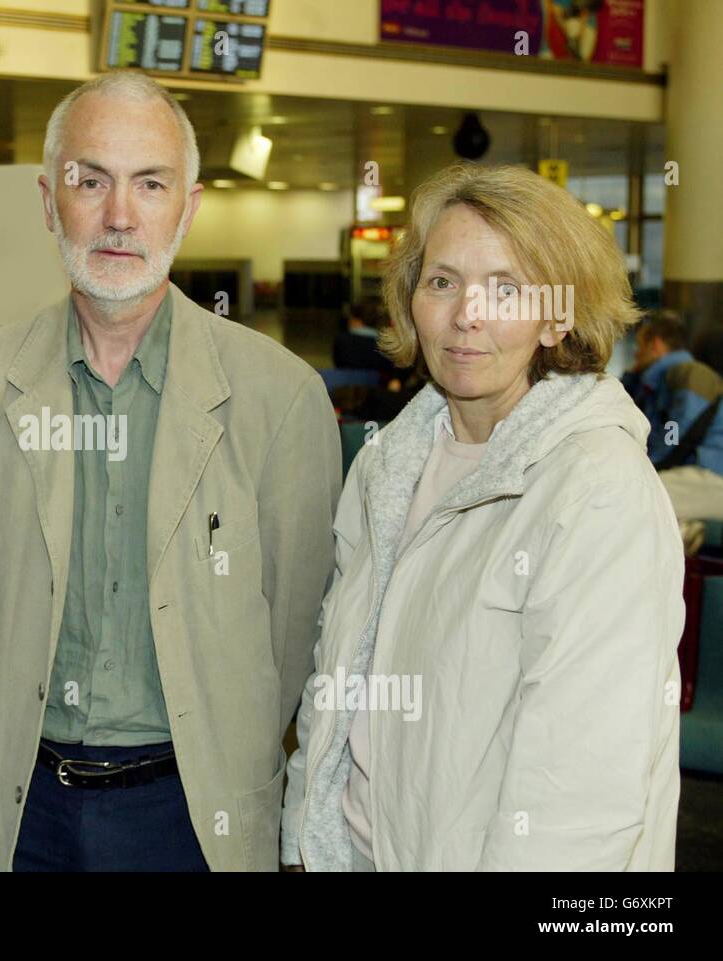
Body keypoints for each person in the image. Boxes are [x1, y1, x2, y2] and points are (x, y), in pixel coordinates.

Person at [0, 71, 340, 872]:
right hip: (20, 811)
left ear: (186, 208)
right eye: (92, 182)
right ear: (50, 203)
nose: (120, 216)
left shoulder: (279, 398)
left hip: (192, 814)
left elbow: (292, 635)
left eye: (150, 184)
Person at [281, 162, 682, 871]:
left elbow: (579, 790)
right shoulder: (389, 463)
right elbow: (335, 673)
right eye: (443, 282)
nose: (468, 314)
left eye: (507, 288)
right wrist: (303, 841)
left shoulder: (594, 488)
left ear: (559, 313)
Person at [625, 309, 723, 553]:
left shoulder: (690, 375)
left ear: (655, 345)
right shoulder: (658, 382)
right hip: (692, 476)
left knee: (629, 495)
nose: (635, 354)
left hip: (710, 476)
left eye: (639, 346)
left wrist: (647, 466)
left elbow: (676, 434)